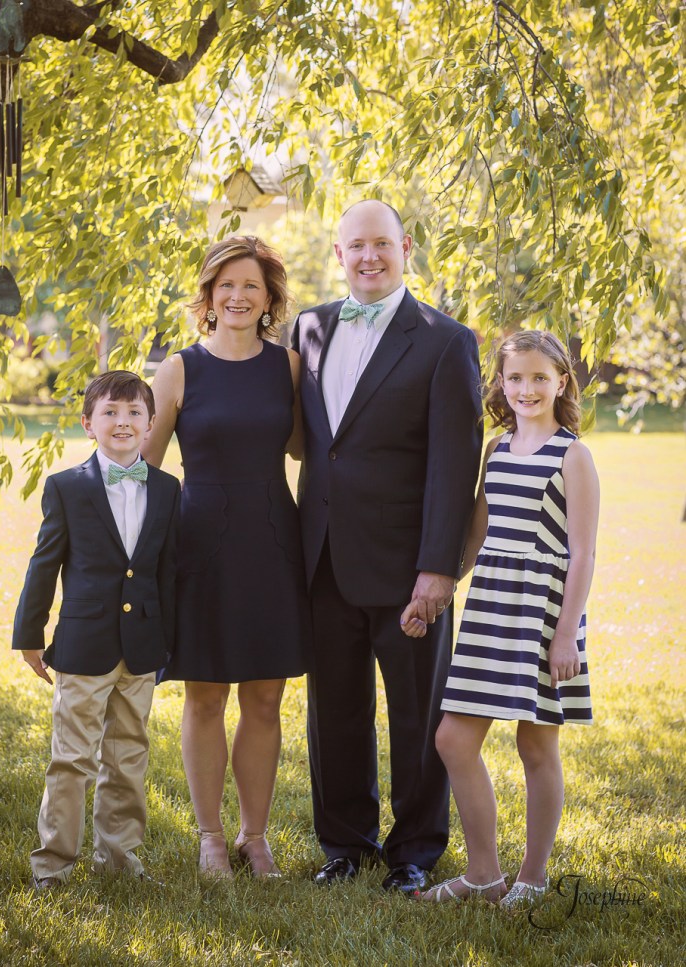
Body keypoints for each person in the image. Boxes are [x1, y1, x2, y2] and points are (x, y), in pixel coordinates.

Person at [290, 199, 483, 893]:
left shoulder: (443, 339)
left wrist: (438, 569)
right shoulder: (308, 327)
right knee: (333, 711)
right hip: (323, 560)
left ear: (404, 247)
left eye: (381, 244)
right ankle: (344, 844)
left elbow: (454, 465)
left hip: (408, 567)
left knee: (417, 714)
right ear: (337, 254)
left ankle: (416, 852)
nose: (368, 257)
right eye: (354, 246)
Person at [143, 235, 309, 879]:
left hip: (272, 542)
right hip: (200, 543)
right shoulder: (179, 369)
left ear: (270, 299)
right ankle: (211, 836)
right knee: (205, 694)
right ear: (208, 297)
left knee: (265, 696)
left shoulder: (288, 367)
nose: (238, 296)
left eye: (252, 286)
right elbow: (147, 467)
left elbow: (304, 449)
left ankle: (255, 835)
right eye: (226, 285)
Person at [419, 330, 599, 906]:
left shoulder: (573, 454)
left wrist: (566, 632)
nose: (526, 388)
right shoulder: (495, 449)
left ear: (560, 383)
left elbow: (583, 552)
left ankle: (533, 877)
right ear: (500, 382)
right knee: (452, 739)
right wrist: (440, 590)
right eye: (515, 377)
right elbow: (477, 533)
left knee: (536, 748)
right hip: (491, 606)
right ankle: (483, 874)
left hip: (544, 613)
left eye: (539, 377)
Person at [12, 370, 180, 889]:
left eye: (134, 413)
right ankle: (55, 864)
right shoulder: (66, 487)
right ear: (88, 423)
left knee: (129, 753)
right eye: (110, 412)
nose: (123, 422)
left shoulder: (169, 490)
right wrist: (30, 635)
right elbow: (44, 563)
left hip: (142, 646)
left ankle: (119, 856)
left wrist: (170, 640)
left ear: (152, 425)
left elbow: (169, 571)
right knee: (71, 758)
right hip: (84, 644)